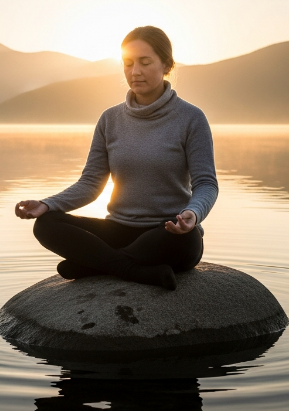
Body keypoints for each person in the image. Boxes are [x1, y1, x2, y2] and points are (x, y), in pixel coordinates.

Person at [14, 26, 218, 291]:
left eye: (145, 62)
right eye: (128, 63)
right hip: (117, 230)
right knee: (47, 225)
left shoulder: (191, 118)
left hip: (167, 231)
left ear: (166, 65)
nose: (135, 71)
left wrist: (193, 213)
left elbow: (206, 183)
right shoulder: (110, 119)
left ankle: (95, 265)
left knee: (187, 241)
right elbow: (90, 183)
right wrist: (47, 204)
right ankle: (131, 269)